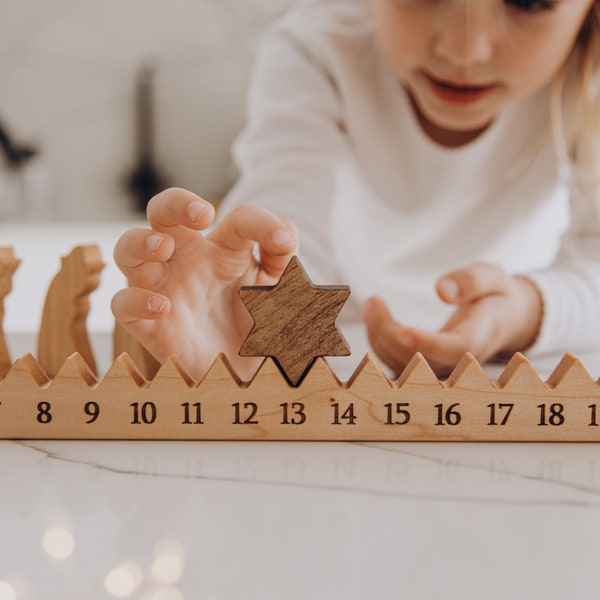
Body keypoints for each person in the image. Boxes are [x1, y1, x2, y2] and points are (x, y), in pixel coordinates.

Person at [112, 0, 600, 381]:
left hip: (522, 345)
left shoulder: (590, 74)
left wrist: (524, 310)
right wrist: (268, 330)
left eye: (531, 2)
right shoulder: (316, 46)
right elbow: (286, 209)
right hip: (338, 339)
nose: (463, 49)